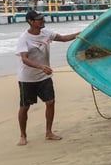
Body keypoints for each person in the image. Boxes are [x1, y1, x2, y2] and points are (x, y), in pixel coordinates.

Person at [15, 10, 80, 146]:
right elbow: (24, 59)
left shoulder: (46, 33)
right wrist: (41, 67)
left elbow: (63, 38)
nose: (42, 21)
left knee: (50, 102)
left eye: (42, 19)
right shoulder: (24, 38)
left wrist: (80, 34)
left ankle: (49, 132)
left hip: (44, 76)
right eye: (39, 19)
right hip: (27, 78)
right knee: (25, 107)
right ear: (30, 22)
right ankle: (23, 135)